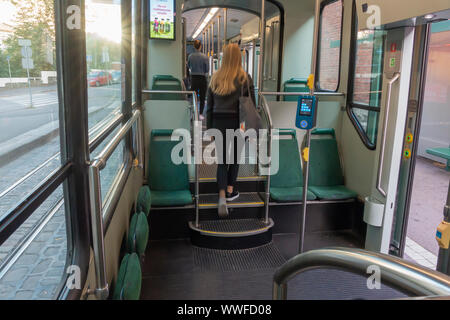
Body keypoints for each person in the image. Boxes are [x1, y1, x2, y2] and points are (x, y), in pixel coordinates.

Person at [206, 43, 256, 218]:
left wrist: (209, 129)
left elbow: (209, 107)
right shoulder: (245, 78)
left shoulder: (215, 78)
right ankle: (230, 191)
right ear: (239, 57)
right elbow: (251, 105)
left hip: (219, 122)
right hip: (237, 123)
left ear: (224, 57)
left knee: (222, 161)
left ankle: (220, 194)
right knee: (234, 159)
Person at [187, 40, 209, 120]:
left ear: (194, 46)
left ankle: (193, 113)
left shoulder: (190, 56)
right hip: (202, 78)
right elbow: (207, 69)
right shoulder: (205, 57)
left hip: (194, 78)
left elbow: (189, 66)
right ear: (200, 46)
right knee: (202, 97)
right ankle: (200, 114)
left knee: (194, 96)